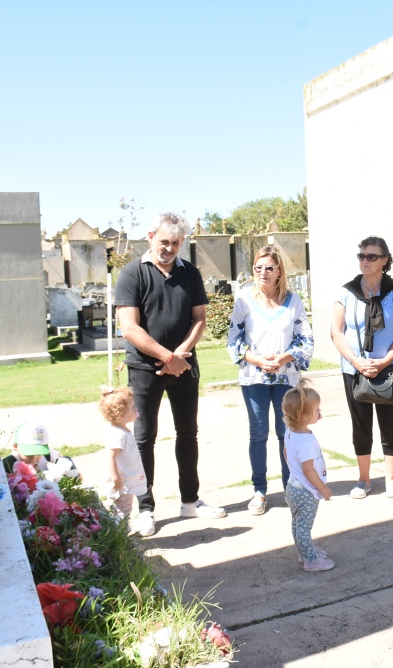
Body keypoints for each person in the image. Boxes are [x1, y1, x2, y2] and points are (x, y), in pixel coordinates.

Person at [116, 212, 226, 538]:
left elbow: (200, 319)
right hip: (144, 368)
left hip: (184, 365)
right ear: (150, 236)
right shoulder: (132, 273)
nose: (169, 248)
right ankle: (145, 508)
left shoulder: (189, 272)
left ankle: (190, 501)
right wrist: (166, 357)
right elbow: (129, 327)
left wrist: (180, 355)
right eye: (164, 241)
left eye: (176, 243)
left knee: (187, 434)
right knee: (143, 439)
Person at [227, 245, 314, 516]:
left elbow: (306, 339)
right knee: (258, 434)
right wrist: (257, 360)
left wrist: (285, 357)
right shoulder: (243, 300)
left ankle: (291, 486)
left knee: (286, 433)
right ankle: (260, 491)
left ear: (279, 271)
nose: (263, 272)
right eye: (258, 267)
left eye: (269, 268)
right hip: (254, 378)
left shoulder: (293, 301)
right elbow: (234, 340)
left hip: (286, 377)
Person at [331, 236, 393, 499]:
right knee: (360, 424)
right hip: (354, 369)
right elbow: (336, 331)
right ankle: (364, 479)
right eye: (361, 256)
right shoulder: (346, 291)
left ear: (384, 260)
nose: (364, 260)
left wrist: (385, 360)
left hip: (387, 368)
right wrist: (356, 361)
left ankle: (391, 478)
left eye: (371, 256)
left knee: (390, 423)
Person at [282, 379, 334, 572]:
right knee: (304, 526)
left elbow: (287, 454)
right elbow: (309, 470)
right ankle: (311, 560)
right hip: (306, 491)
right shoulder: (307, 441)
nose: (320, 413)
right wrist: (322, 487)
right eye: (317, 410)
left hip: (293, 486)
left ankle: (304, 551)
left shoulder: (290, 432)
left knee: (297, 523)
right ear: (304, 415)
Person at [97, 386, 147, 521]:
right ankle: (119, 534)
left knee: (125, 510)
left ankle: (121, 532)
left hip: (125, 480)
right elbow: (110, 457)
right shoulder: (117, 434)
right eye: (132, 408)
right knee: (121, 512)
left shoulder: (123, 431)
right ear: (121, 413)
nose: (135, 409)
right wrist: (116, 478)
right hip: (121, 482)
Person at [3, 421, 80, 481]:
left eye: (39, 453)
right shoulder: (8, 464)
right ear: (15, 446)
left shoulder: (47, 455)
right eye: (28, 455)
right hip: (24, 497)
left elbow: (63, 459)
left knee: (67, 460)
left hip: (48, 491)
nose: (34, 459)